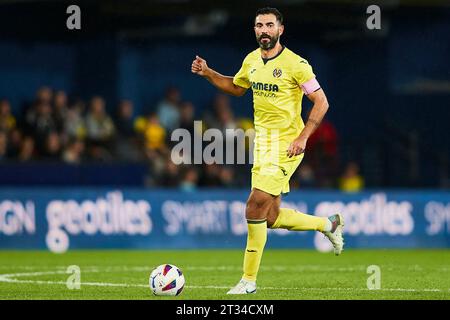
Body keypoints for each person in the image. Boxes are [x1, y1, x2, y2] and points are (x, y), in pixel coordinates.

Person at [191, 7, 344, 294]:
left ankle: (248, 281)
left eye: (269, 25)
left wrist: (302, 137)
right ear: (255, 29)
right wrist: (208, 73)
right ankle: (328, 224)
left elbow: (321, 102)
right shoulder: (251, 60)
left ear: (280, 30)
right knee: (270, 217)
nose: (264, 30)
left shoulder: (297, 64)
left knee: (254, 204)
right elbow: (237, 88)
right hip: (262, 147)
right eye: (259, 25)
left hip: (287, 146)